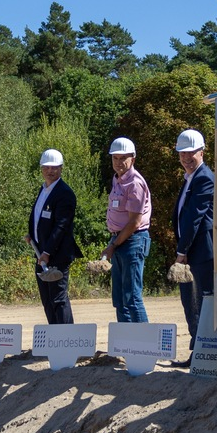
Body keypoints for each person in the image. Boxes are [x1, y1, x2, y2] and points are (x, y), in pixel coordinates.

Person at [171, 129, 215, 366]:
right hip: (189, 253)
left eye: (191, 153)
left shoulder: (204, 177)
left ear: (202, 151)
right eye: (182, 153)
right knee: (190, 302)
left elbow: (194, 219)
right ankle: (197, 352)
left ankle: (206, 354)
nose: (186, 158)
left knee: (201, 303)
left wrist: (181, 251)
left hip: (200, 253)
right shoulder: (190, 178)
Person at [25, 148, 82, 325]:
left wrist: (48, 252)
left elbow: (61, 226)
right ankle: (53, 340)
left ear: (61, 168)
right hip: (41, 255)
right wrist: (32, 236)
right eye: (47, 167)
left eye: (54, 167)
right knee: (48, 301)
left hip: (56, 255)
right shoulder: (44, 190)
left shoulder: (64, 193)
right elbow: (39, 217)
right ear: (41, 169)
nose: (50, 171)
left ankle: (67, 342)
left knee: (58, 299)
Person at [100, 137, 152, 323]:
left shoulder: (135, 183)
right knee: (120, 300)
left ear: (133, 159)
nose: (119, 162)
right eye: (116, 158)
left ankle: (145, 346)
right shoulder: (118, 180)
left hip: (132, 240)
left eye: (124, 158)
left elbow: (134, 223)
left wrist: (113, 245)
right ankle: (126, 344)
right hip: (120, 241)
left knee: (132, 298)